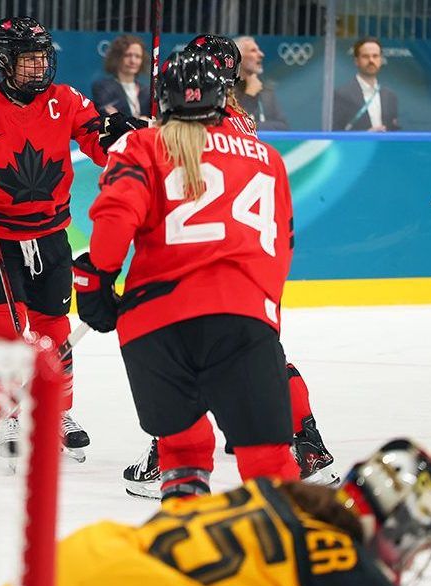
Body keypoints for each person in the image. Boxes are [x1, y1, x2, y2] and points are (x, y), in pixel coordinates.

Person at [73, 50, 299, 501]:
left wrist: (95, 282)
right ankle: (287, 556)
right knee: (269, 459)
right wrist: (260, 309)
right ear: (224, 97)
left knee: (182, 448)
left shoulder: (141, 145)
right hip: (241, 319)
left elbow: (115, 217)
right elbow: (282, 244)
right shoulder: (266, 156)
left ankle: (186, 547)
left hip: (152, 328)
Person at [121, 36, 338, 501]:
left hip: (199, 260)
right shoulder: (239, 121)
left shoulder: (208, 127)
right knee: (260, 354)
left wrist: (145, 135)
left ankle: (172, 453)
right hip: (250, 263)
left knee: (186, 359)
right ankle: (308, 447)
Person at [0, 16, 145, 461]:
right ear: (5, 61)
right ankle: (8, 415)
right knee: (5, 326)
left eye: (42, 57)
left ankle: (57, 412)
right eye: (27, 59)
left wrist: (123, 135)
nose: (37, 67)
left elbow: (99, 144)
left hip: (49, 235)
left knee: (53, 328)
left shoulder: (65, 99)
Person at [0, 438, 431, 586]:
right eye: (417, 545)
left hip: (70, 564)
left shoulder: (280, 495)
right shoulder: (345, 571)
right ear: (397, 526)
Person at [333, 37, 400, 132]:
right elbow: (335, 133)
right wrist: (364, 137)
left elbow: (394, 130)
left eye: (375, 56)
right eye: (365, 56)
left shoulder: (390, 96)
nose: (371, 60)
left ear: (381, 60)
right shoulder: (342, 95)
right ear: (356, 61)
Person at [231, 35, 289, 131]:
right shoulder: (225, 90)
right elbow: (233, 124)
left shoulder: (265, 90)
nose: (261, 54)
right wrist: (249, 94)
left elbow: (283, 127)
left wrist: (254, 126)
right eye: (253, 51)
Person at [91, 34, 151, 119]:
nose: (133, 61)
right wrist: (141, 121)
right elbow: (110, 118)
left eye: (138, 56)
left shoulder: (147, 91)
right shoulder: (103, 87)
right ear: (117, 58)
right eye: (128, 55)